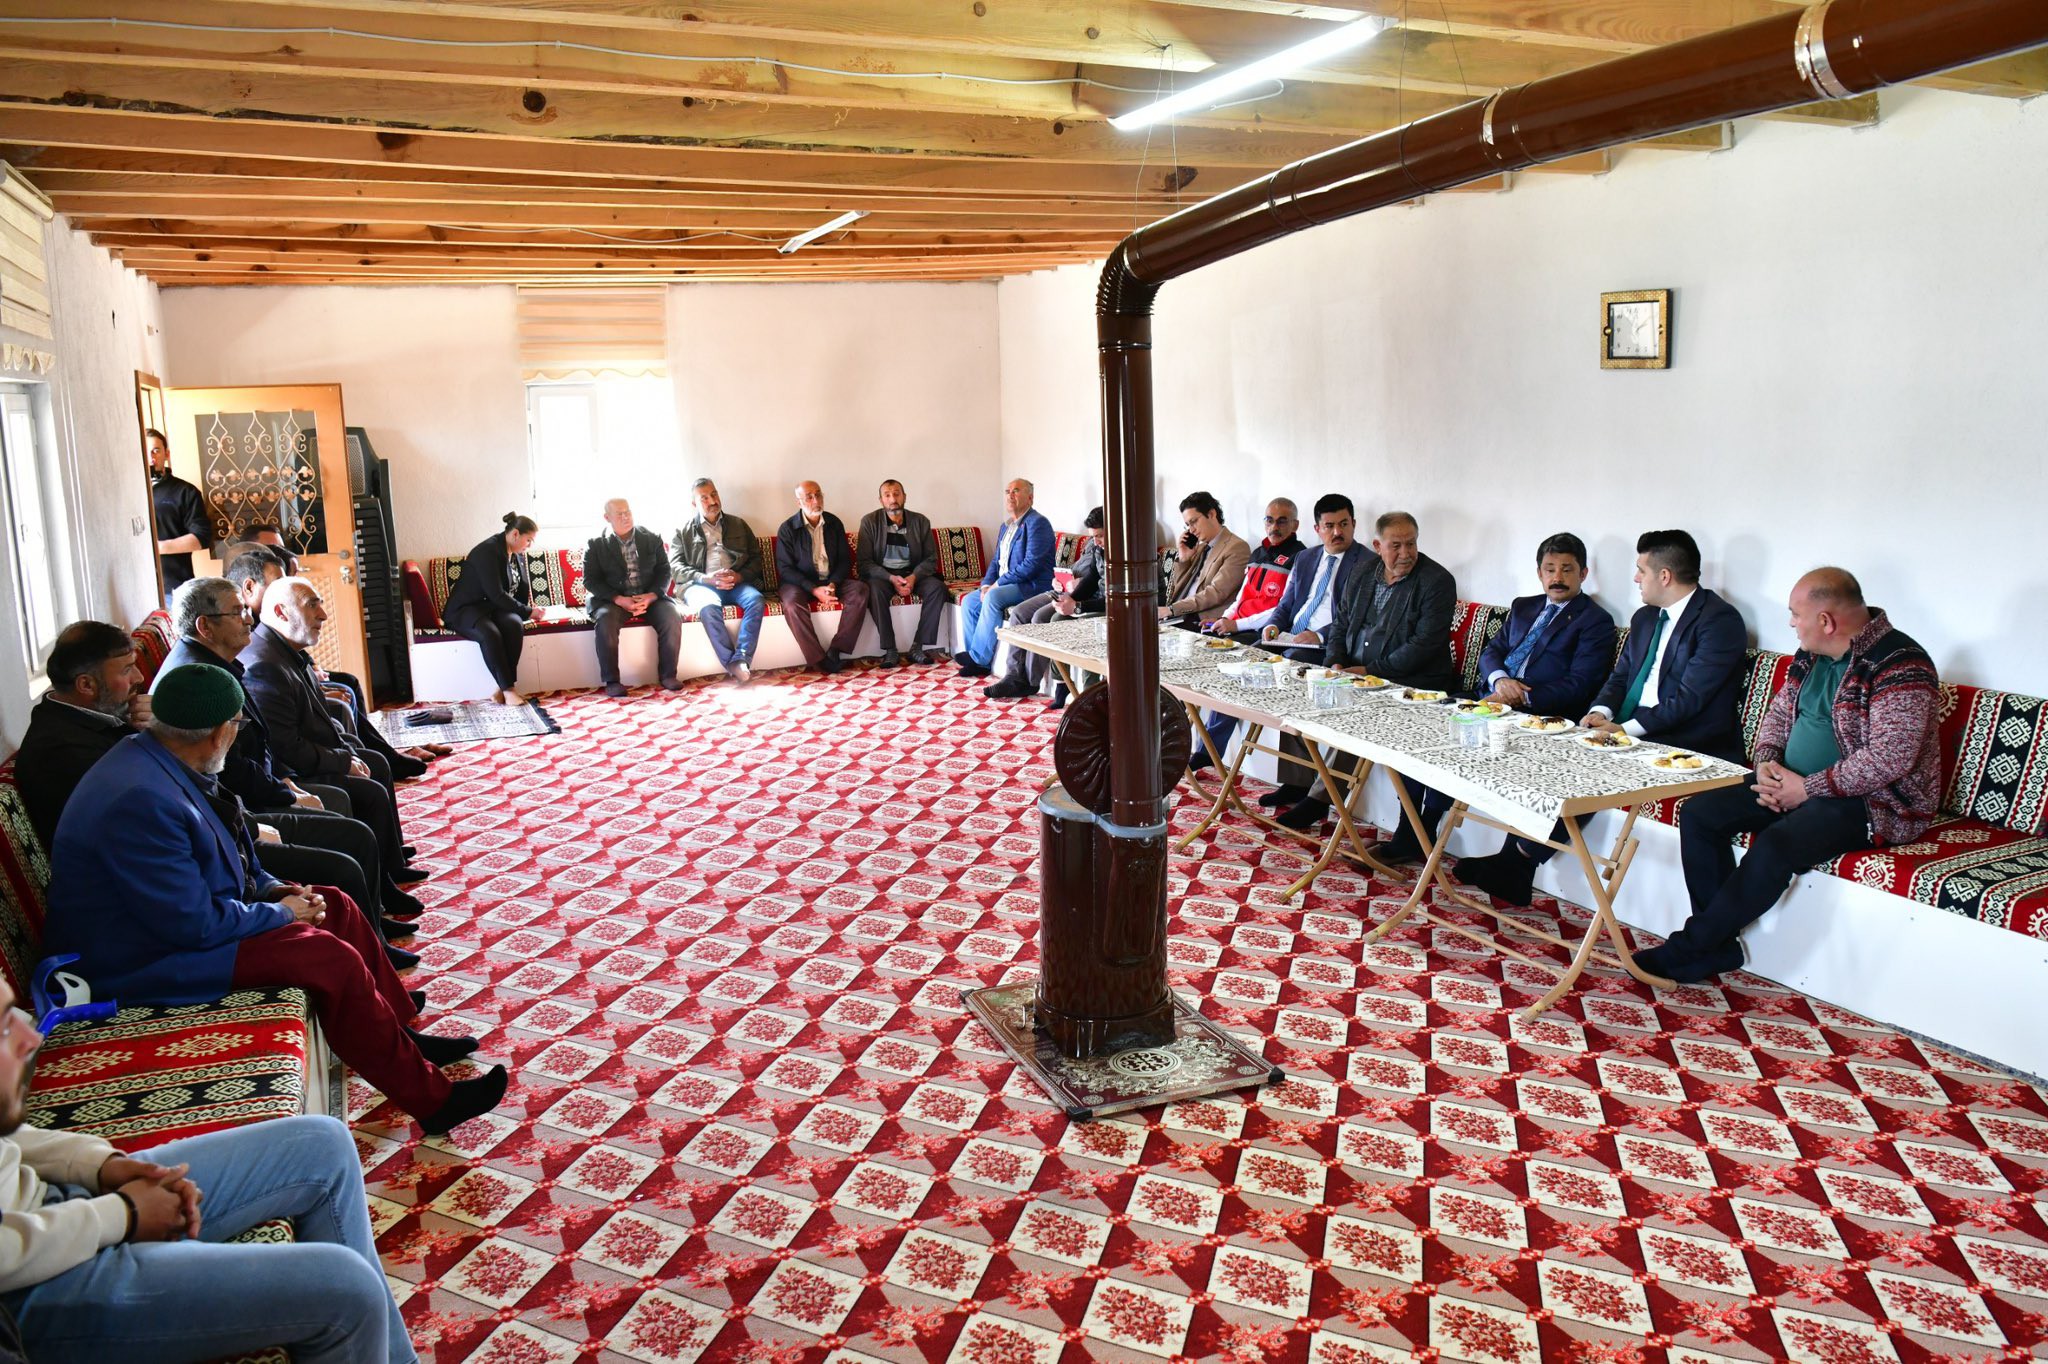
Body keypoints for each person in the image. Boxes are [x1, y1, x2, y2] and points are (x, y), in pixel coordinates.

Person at [43, 664, 506, 1133]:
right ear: (221, 732)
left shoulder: (165, 758)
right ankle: (434, 1101)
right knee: (326, 956)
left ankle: (400, 1035)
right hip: (138, 959)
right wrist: (281, 912)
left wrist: (273, 889)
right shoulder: (139, 799)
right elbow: (192, 925)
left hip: (176, 928)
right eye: (238, 724)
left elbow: (232, 848)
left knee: (335, 905)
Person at [0, 987, 422, 1364]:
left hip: (61, 1203)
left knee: (321, 1144)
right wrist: (124, 1213)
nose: (31, 1038)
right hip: (33, 1289)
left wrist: (102, 1164)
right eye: (3, 1028)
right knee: (346, 1288)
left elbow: (14, 1138)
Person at [1654, 569, 1940, 983]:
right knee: (1701, 814)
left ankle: (1693, 946)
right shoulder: (1809, 655)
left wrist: (1806, 788)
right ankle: (1718, 946)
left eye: (1795, 614)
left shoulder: (1901, 663)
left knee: (1778, 842)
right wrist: (1767, 765)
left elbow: (1890, 758)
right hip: (1794, 782)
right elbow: (1778, 715)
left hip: (1874, 802)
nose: (1790, 622)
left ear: (1826, 621)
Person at [1458, 527, 1748, 906]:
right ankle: (1514, 861)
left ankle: (1517, 861)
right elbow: (1621, 676)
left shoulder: (1719, 621)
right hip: (1632, 726)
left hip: (1685, 739)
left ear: (1664, 576)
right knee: (1555, 751)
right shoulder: (1646, 617)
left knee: (1585, 764)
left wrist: (1623, 730)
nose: (1635, 578)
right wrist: (1600, 711)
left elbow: (1689, 700)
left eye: (1641, 570)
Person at [163, 578, 425, 954]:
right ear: (205, 626)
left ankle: (378, 918)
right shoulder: (197, 679)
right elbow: (229, 770)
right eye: (237, 612)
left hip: (249, 797)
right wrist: (285, 793)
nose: (249, 619)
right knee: (349, 844)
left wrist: (285, 780)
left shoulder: (216, 664)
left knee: (356, 818)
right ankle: (372, 948)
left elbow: (254, 748)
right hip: (241, 813)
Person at [1377, 533, 1619, 866]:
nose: (1558, 578)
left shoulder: (1595, 621)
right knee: (1423, 726)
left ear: (1584, 574)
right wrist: (1500, 681)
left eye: (1567, 569)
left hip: (1539, 715)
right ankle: (1411, 827)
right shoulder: (1524, 606)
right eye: (1550, 569)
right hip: (1490, 696)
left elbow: (1580, 684)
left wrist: (1518, 698)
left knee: (1465, 732)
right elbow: (1493, 652)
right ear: (1539, 573)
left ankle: (1422, 829)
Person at [1277, 511, 1458, 830]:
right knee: (1296, 691)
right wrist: (1336, 662)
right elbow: (1341, 623)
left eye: (1411, 544)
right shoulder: (1362, 572)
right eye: (1396, 546)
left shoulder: (1436, 581)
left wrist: (1368, 672)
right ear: (1377, 546)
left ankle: (1319, 799)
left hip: (1408, 681)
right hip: (1354, 672)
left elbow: (1422, 646)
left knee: (1359, 711)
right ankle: (1298, 782)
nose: (1406, 553)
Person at [241, 577, 423, 889]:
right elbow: (286, 748)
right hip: (291, 771)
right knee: (369, 791)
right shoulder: (264, 665)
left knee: (376, 761)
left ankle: (389, 859)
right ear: (281, 612)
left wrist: (346, 752)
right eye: (312, 605)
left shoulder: (285, 649)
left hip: (304, 755)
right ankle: (382, 883)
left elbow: (316, 722)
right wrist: (341, 761)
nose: (323, 615)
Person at [1191, 495, 1368, 780]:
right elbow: (1285, 605)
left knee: (1292, 666)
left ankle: (1297, 782)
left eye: (1344, 524)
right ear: (1317, 529)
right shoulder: (1307, 558)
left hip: (1327, 645)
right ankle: (1209, 749)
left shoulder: (1366, 563)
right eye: (1329, 526)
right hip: (1288, 637)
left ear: (1354, 524)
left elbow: (1355, 618)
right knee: (1242, 659)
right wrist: (1273, 625)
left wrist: (1317, 635)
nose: (1337, 532)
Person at [12, 624, 150, 851]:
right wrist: (165, 737)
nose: (139, 677)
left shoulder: (100, 714)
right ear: (86, 685)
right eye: (127, 670)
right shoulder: (61, 753)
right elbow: (143, 812)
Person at [983, 506, 1105, 702]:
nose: (1096, 541)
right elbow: (1089, 574)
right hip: (1063, 589)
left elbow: (1095, 584)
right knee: (1019, 613)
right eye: (1093, 537)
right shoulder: (1096, 545)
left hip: (1081, 596)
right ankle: (1013, 675)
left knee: (1041, 617)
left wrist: (1075, 601)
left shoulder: (1039, 524)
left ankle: (1031, 681)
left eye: (1099, 536)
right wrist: (1064, 586)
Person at [584, 498, 685, 698]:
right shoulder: (596, 544)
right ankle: (612, 681)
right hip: (615, 600)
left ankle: (668, 675)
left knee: (672, 616)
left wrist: (652, 595)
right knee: (605, 620)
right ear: (607, 518)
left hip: (649, 596)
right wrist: (619, 599)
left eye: (628, 512)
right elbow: (590, 580)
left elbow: (665, 571)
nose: (625, 517)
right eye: (619, 514)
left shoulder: (651, 538)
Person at [670, 478, 766, 685]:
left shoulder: (738, 524)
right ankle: (733, 664)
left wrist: (739, 576)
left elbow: (757, 559)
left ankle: (741, 658)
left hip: (735, 583)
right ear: (694, 504)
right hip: (701, 585)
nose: (712, 501)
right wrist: (705, 578)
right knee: (708, 606)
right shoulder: (683, 531)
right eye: (704, 498)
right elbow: (675, 567)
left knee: (756, 600)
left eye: (714, 494)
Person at [440, 513, 541, 706]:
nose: (530, 545)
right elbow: (496, 594)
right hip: (465, 609)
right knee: (490, 633)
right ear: (515, 534)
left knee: (514, 624)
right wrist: (528, 611)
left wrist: (523, 612)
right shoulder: (487, 551)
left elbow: (517, 588)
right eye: (529, 540)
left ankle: (501, 688)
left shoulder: (515, 554)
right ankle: (509, 691)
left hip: (490, 607)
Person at [957, 479, 1053, 678]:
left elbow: (1031, 565)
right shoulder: (1006, 526)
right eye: (1008, 491)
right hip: (1006, 584)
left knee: (993, 598)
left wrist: (996, 585)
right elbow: (996, 561)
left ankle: (979, 660)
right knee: (970, 601)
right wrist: (986, 584)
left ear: (1030, 498)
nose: (1010, 495)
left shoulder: (1038, 523)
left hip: (1031, 585)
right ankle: (975, 655)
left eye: (1016, 491)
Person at [772, 482, 870, 676]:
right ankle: (818, 659)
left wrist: (833, 583)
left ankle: (836, 650)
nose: (815, 500)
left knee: (861, 590)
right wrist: (813, 589)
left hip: (830, 581)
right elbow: (785, 569)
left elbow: (844, 560)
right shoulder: (788, 528)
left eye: (818, 495)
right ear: (799, 502)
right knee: (791, 604)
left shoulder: (834, 523)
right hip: (799, 584)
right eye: (809, 497)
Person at [856, 479, 949, 667]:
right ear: (881, 500)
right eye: (887, 495)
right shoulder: (869, 522)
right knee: (873, 590)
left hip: (913, 573)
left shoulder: (920, 521)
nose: (893, 499)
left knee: (938, 588)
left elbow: (931, 559)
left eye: (897, 494)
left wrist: (913, 577)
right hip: (883, 576)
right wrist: (891, 578)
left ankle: (918, 646)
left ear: (904, 496)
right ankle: (890, 649)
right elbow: (864, 563)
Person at [1161, 492, 1250, 628]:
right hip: (1178, 614)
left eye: (1194, 522)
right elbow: (1176, 588)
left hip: (1200, 618)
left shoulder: (1237, 547)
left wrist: (1172, 610)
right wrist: (1184, 559)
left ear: (1212, 514)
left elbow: (1216, 593)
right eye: (1187, 525)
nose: (1191, 530)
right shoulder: (1199, 548)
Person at [145, 427, 212, 602]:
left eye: (156, 450)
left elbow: (202, 538)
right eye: (145, 451)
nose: (151, 457)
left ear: (166, 454)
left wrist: (157, 548)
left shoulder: (185, 492)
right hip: (135, 587)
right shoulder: (125, 493)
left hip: (174, 589)